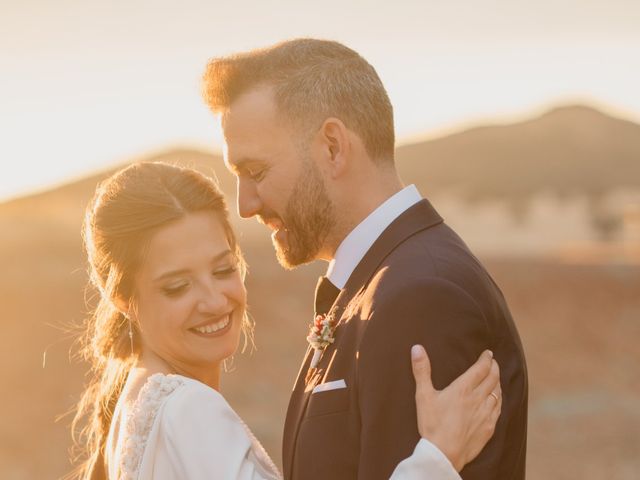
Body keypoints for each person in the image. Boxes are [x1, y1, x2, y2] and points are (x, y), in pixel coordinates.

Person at [202, 38, 528, 479]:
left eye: (256, 173)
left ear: (333, 147)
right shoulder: (383, 281)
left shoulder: (422, 297)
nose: (245, 204)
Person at [70, 162, 501, 479]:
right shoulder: (187, 411)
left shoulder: (134, 396)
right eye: (177, 286)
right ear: (122, 298)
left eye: (223, 270)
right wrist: (437, 458)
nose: (214, 300)